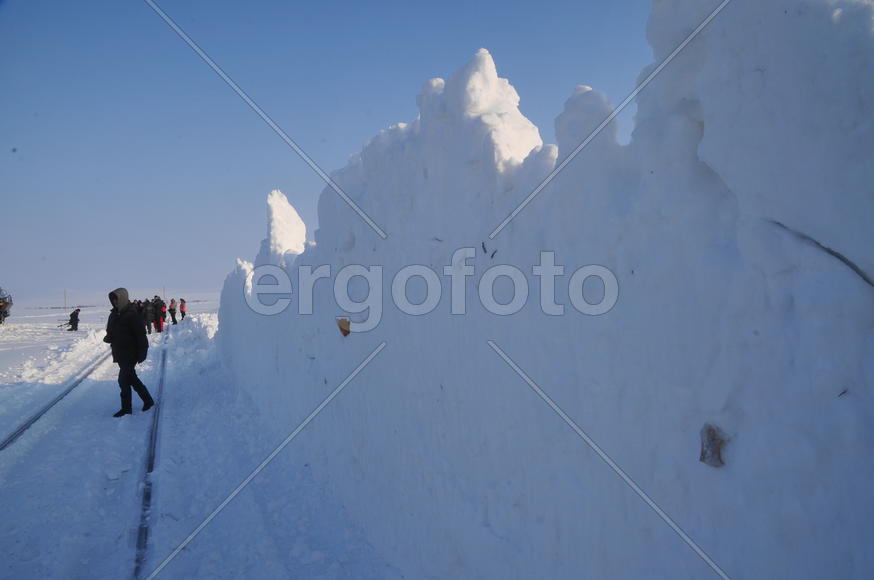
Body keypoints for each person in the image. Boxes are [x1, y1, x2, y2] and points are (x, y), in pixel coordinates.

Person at [103, 288, 154, 418]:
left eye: (116, 299)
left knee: (123, 380)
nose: (114, 302)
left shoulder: (132, 315)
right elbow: (111, 330)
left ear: (122, 299)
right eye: (112, 299)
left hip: (131, 353)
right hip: (119, 353)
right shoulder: (114, 314)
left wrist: (143, 352)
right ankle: (148, 400)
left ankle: (126, 408)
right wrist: (109, 337)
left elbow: (141, 336)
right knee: (132, 379)